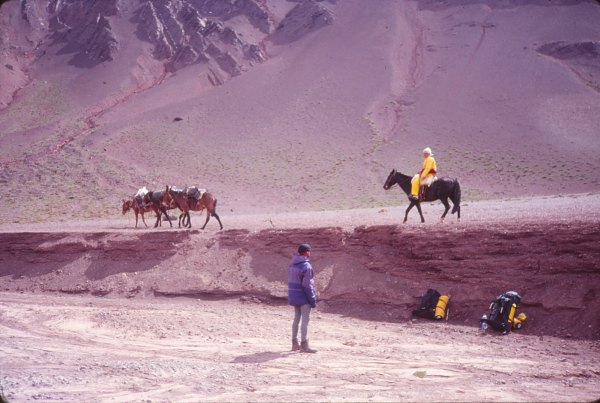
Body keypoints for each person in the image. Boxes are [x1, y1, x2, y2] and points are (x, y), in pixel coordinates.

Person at [288, 243, 317, 353]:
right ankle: (304, 345)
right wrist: (312, 299)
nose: (310, 253)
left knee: (296, 319)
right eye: (309, 251)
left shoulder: (292, 264)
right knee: (305, 321)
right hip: (304, 297)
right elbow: (307, 285)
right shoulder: (306, 266)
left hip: (294, 296)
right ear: (306, 252)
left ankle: (294, 344)